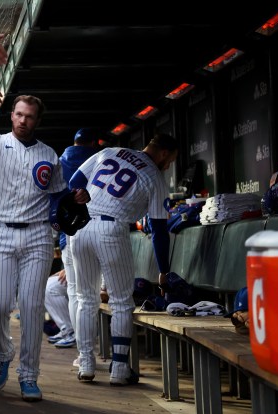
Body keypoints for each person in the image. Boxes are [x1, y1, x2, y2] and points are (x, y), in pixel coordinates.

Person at [0, 89, 90, 402]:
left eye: (29, 116)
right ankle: (4, 353)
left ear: (37, 120)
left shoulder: (49, 155)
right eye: (18, 114)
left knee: (31, 308)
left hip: (37, 236)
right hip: (0, 232)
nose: (22, 120)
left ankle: (29, 375)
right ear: (11, 115)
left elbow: (58, 197)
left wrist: (76, 197)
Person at [69, 133, 178, 386]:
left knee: (86, 298)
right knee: (121, 302)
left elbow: (75, 179)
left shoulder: (110, 152)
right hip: (111, 228)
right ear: (162, 153)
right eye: (170, 159)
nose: (169, 164)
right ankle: (119, 368)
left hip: (81, 226)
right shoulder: (154, 175)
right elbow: (159, 230)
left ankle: (86, 363)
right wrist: (164, 271)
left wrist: (81, 198)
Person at [57, 128, 99, 363]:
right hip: (101, 231)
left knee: (77, 294)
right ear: (94, 142)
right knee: (103, 295)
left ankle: (84, 354)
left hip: (70, 234)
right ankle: (117, 358)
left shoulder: (60, 162)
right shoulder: (98, 158)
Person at [45, 266, 76, 348]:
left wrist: (70, 269)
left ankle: (71, 331)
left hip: (90, 273)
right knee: (45, 284)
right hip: (77, 268)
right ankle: (66, 329)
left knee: (50, 288)